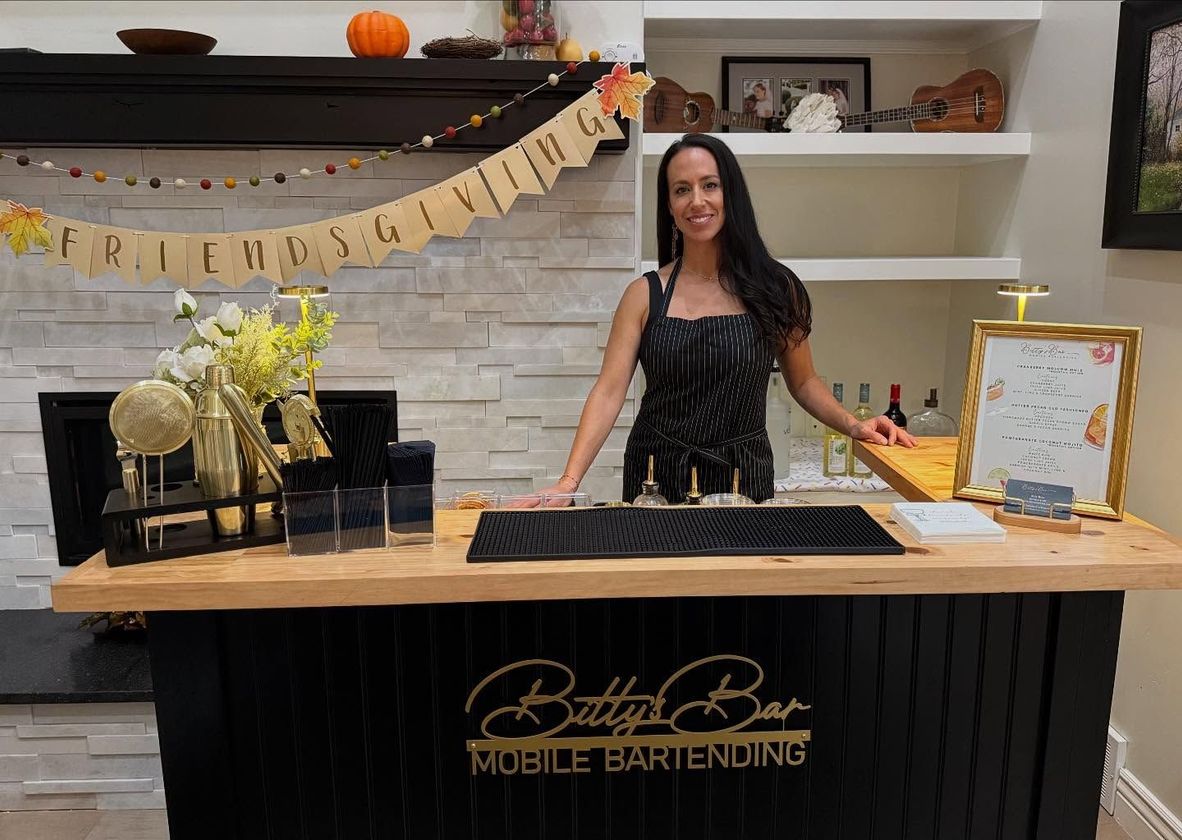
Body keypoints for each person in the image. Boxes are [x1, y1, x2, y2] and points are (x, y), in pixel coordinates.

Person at [535, 133, 916, 505]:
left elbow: (803, 381)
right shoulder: (643, 294)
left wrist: (853, 425)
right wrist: (569, 482)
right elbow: (609, 391)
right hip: (654, 476)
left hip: (742, 472)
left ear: (730, 193)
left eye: (710, 185)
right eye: (681, 189)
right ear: (669, 205)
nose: (696, 201)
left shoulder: (776, 287)